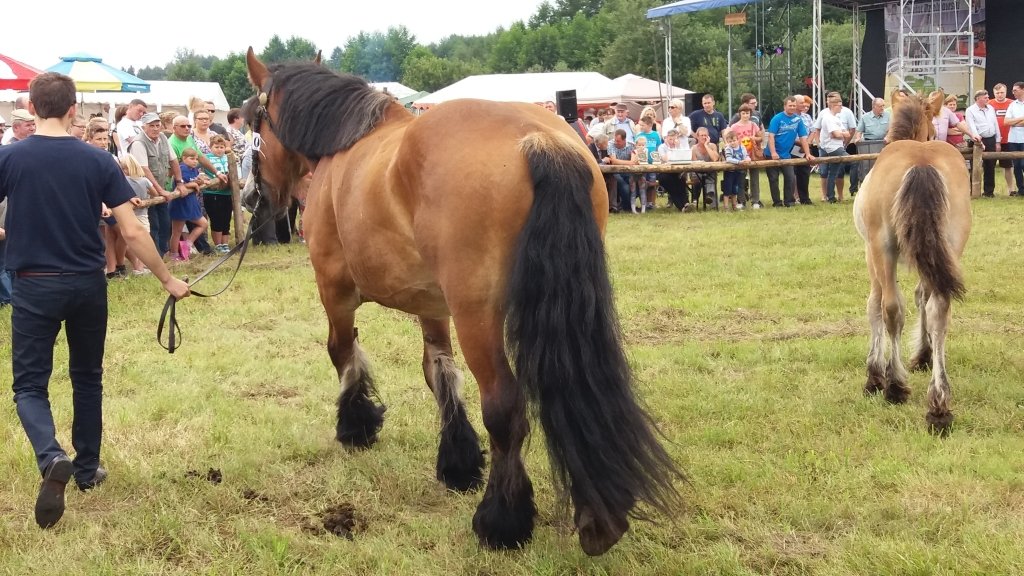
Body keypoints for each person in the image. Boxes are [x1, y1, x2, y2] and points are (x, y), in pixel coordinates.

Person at [0, 72, 190, 530]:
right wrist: (167, 279)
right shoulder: (98, 159)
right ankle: (86, 470)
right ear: (73, 110)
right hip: (87, 283)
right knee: (87, 378)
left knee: (30, 385)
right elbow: (132, 231)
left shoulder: (9, 158)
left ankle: (51, 457)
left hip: (34, 284)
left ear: (31, 106)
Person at [765, 95, 814, 207]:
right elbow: (771, 136)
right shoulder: (777, 118)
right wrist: (773, 152)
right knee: (773, 179)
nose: (792, 107)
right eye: (790, 105)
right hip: (772, 154)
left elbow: (803, 138)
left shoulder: (798, 120)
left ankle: (789, 201)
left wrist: (808, 154)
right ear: (785, 106)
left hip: (786, 155)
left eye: (794, 106)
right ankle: (777, 202)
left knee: (790, 177)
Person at [169, 148, 210, 260]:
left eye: (196, 159)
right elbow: (180, 184)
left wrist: (201, 181)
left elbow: (195, 180)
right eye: (192, 159)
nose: (195, 161)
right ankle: (174, 255)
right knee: (177, 231)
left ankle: (187, 244)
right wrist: (192, 184)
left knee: (203, 224)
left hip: (191, 202)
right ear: (184, 158)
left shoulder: (194, 169)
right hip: (180, 203)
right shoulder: (181, 168)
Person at [964, 89, 999, 197]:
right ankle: (973, 190)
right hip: (977, 140)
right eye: (985, 97)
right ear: (978, 99)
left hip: (991, 139)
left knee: (990, 165)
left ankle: (989, 192)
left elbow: (995, 124)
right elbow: (971, 126)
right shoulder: (970, 110)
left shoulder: (991, 108)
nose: (988, 99)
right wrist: (978, 141)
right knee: (975, 166)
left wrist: (998, 141)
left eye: (988, 97)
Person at [203, 135, 234, 253]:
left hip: (226, 193)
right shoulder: (206, 158)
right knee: (216, 218)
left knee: (226, 218)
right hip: (212, 192)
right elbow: (198, 169)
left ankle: (225, 243)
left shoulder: (228, 158)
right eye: (216, 147)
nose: (219, 149)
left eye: (222, 147)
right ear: (211, 147)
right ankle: (218, 244)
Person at [990, 83, 1016, 195]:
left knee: (1008, 166)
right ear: (994, 93)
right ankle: (989, 190)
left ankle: (1011, 189)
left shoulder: (1013, 104)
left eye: (1002, 92)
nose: (1000, 95)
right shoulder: (989, 104)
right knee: (989, 166)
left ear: (1006, 92)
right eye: (997, 93)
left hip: (1008, 139)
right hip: (993, 139)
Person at [720, 128, 751, 211]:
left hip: (739, 172)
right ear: (727, 142)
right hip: (729, 172)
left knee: (735, 189)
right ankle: (726, 207)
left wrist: (748, 159)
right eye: (730, 141)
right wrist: (739, 162)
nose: (732, 143)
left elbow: (746, 156)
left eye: (734, 140)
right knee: (727, 189)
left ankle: (734, 205)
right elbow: (729, 159)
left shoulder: (742, 147)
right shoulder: (728, 149)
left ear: (738, 139)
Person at [1004, 81, 1024, 195]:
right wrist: (1021, 118)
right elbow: (1006, 122)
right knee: (1016, 165)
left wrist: (1014, 122)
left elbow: (1011, 122)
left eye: (1015, 90)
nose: (1013, 92)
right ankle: (1021, 189)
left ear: (1023, 90)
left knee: (1023, 164)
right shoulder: (1012, 105)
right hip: (1013, 139)